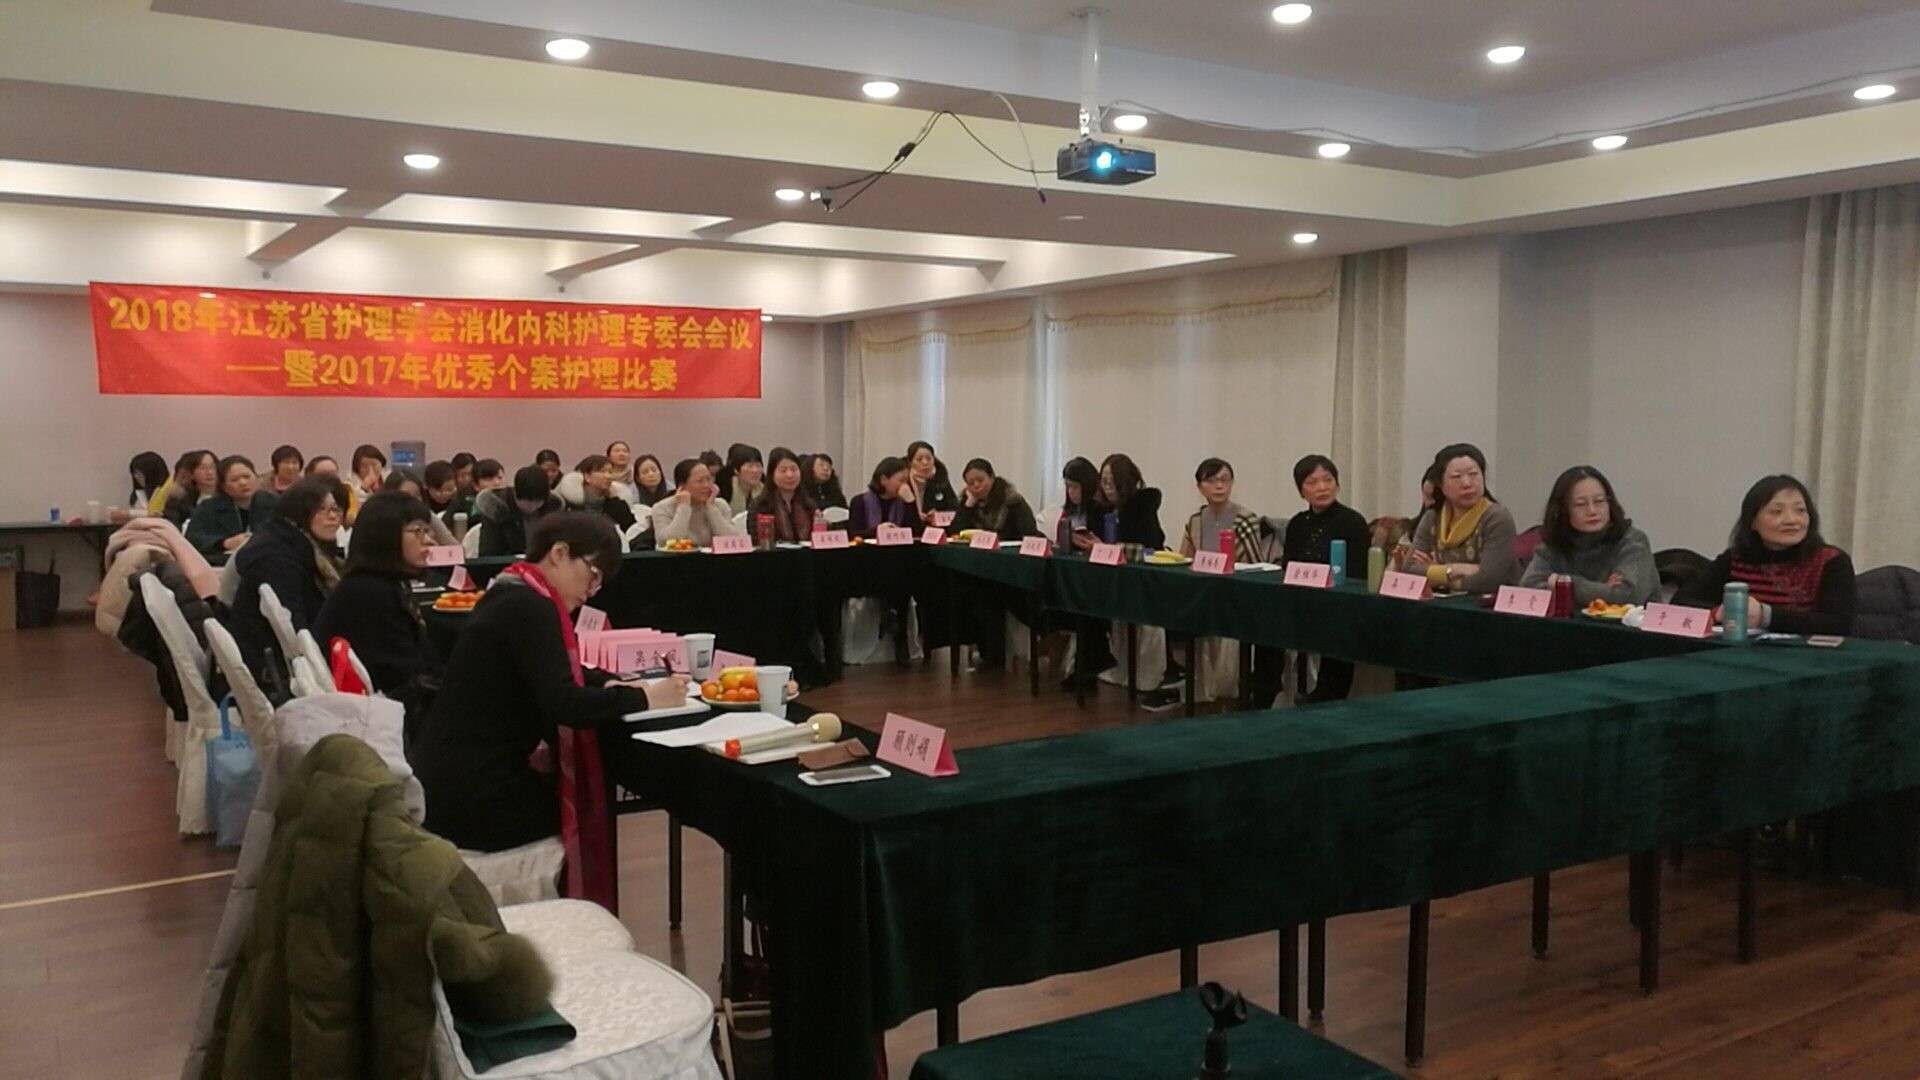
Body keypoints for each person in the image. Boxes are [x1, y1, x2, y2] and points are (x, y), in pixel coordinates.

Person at [413, 513, 688, 854]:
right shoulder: (530, 606)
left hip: (446, 780)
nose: (592, 591)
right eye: (594, 574)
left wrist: (609, 681)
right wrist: (646, 699)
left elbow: (552, 668)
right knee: (586, 808)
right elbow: (565, 703)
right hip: (473, 796)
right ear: (559, 553)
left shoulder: (510, 589)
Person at [312, 492, 442, 733]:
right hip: (381, 720)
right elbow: (403, 676)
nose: (430, 541)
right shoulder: (369, 592)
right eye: (418, 531)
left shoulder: (380, 583)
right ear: (386, 536)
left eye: (428, 531)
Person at [1678, 475, 1856, 636]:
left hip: (1805, 656)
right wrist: (1719, 612)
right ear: (1753, 522)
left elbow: (1839, 625)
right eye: (1776, 512)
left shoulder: (1831, 561)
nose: (1792, 520)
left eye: (1800, 511)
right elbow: (1681, 602)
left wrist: (1766, 616)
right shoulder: (1735, 559)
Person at [1274, 454, 1372, 704]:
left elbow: (1358, 575)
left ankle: (1327, 696)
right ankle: (1264, 690)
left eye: (1328, 480)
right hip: (1302, 602)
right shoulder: (1297, 523)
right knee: (1267, 618)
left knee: (1338, 623)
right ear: (1301, 491)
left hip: (1340, 602)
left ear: (1337, 485)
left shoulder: (1352, 521)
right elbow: (1289, 568)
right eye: (1312, 482)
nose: (1322, 487)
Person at [227, 476, 346, 676]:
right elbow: (296, 628)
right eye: (321, 509)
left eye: (335, 509)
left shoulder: (301, 546)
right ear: (299, 512)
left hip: (284, 661)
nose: (333, 517)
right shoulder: (277, 558)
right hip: (273, 669)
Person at [1520, 466, 1658, 606]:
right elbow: (1528, 589)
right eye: (1580, 504)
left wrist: (1562, 583)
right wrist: (1603, 590)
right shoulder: (1555, 543)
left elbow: (1627, 597)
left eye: (1599, 501)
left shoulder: (1633, 541)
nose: (1592, 511)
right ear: (1562, 510)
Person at [1400, 443, 1518, 594]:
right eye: (1456, 477)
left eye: (1474, 474)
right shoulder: (1432, 517)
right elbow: (1409, 570)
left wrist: (1435, 573)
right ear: (1441, 485)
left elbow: (1488, 580)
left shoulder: (1496, 518)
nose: (1467, 483)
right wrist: (1451, 570)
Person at [186, 455, 278, 558]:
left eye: (247, 477)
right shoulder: (208, 508)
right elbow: (193, 539)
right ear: (223, 486)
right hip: (222, 562)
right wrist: (225, 543)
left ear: (256, 478)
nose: (243, 483)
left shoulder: (274, 503)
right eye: (234, 480)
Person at [1177, 458, 1265, 562]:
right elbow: (1183, 562)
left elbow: (1256, 565)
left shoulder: (1245, 519)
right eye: (1211, 481)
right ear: (1199, 487)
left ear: (1232, 483)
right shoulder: (1195, 521)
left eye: (1224, 480)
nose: (1219, 486)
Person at [476, 466, 562, 557]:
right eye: (525, 502)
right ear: (515, 494)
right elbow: (488, 554)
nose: (531, 507)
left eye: (537, 502)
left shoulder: (553, 509)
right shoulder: (496, 508)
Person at [652, 458, 741, 545]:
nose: (706, 485)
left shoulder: (720, 505)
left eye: (709, 479)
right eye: (699, 481)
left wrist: (711, 507)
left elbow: (733, 541)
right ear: (682, 486)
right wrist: (683, 507)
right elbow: (665, 543)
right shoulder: (662, 508)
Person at [953, 458, 1038, 540]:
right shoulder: (968, 501)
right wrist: (967, 507)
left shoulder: (1012, 500)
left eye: (980, 480)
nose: (976, 485)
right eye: (971, 483)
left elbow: (1029, 532)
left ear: (992, 478)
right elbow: (954, 533)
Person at [747, 447, 816, 542]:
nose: (789, 475)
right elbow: (756, 541)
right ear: (772, 474)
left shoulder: (809, 505)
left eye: (794, 469)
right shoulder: (760, 505)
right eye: (783, 470)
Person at [568, 454, 639, 543]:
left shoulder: (618, 506)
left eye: (610, 472)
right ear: (587, 477)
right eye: (602, 471)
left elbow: (634, 535)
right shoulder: (571, 507)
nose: (608, 476)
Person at [382, 468, 458, 545]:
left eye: (417, 495)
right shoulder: (382, 523)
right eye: (406, 496)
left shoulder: (428, 516)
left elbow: (454, 546)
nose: (413, 501)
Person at [847, 456, 916, 538]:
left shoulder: (904, 502)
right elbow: (853, 534)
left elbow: (916, 533)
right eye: (901, 481)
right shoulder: (860, 501)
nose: (905, 485)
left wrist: (911, 502)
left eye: (907, 481)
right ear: (884, 480)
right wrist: (877, 531)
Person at [1054, 457, 1106, 552]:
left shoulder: (1101, 511)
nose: (1070, 491)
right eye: (1068, 486)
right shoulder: (1068, 512)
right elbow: (1058, 543)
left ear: (1087, 486)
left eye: (1075, 487)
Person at [903, 440, 959, 522]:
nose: (925, 462)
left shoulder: (940, 477)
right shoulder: (904, 479)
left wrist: (938, 514)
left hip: (934, 526)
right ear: (910, 462)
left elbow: (953, 507)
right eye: (919, 459)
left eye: (929, 459)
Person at [158, 449, 216, 526]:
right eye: (203, 468)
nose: (210, 472)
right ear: (191, 474)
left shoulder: (226, 497)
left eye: (213, 467)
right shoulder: (179, 502)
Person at [717, 443, 765, 514]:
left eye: (758, 466)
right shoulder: (726, 488)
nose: (755, 470)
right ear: (736, 470)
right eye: (750, 466)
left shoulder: (764, 489)